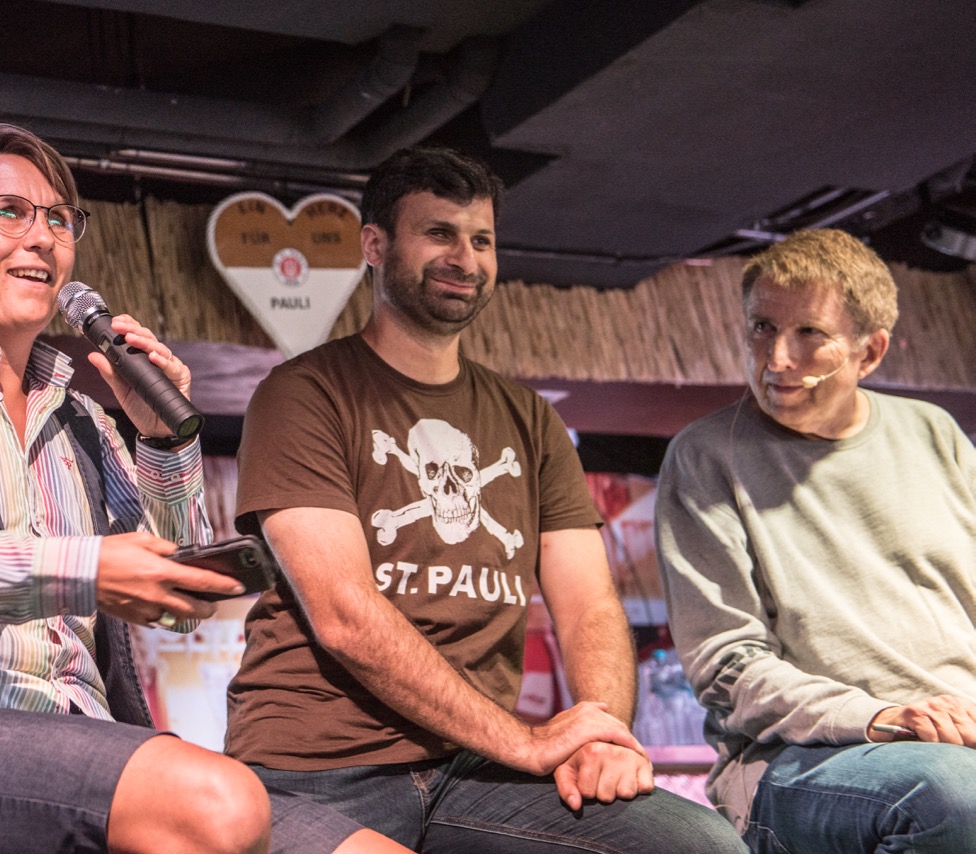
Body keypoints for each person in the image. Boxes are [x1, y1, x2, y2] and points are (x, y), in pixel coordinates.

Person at [0, 123, 406, 854]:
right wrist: (85, 570)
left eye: (59, 218)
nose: (42, 235)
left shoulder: (85, 417)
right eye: (8, 211)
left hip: (85, 741)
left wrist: (162, 442)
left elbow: (178, 610)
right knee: (217, 802)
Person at [225, 144, 746, 852]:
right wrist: (525, 742)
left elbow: (589, 602)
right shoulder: (303, 394)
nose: (463, 258)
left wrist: (600, 732)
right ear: (374, 245)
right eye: (438, 233)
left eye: (481, 240)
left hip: (468, 769)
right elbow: (345, 615)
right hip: (310, 768)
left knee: (694, 846)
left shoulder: (528, 419)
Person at [655, 228, 976, 852]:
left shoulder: (934, 433)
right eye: (762, 328)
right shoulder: (704, 457)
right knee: (950, 795)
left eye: (809, 334)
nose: (776, 360)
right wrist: (883, 718)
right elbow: (730, 671)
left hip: (960, 738)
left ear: (870, 352)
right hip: (803, 761)